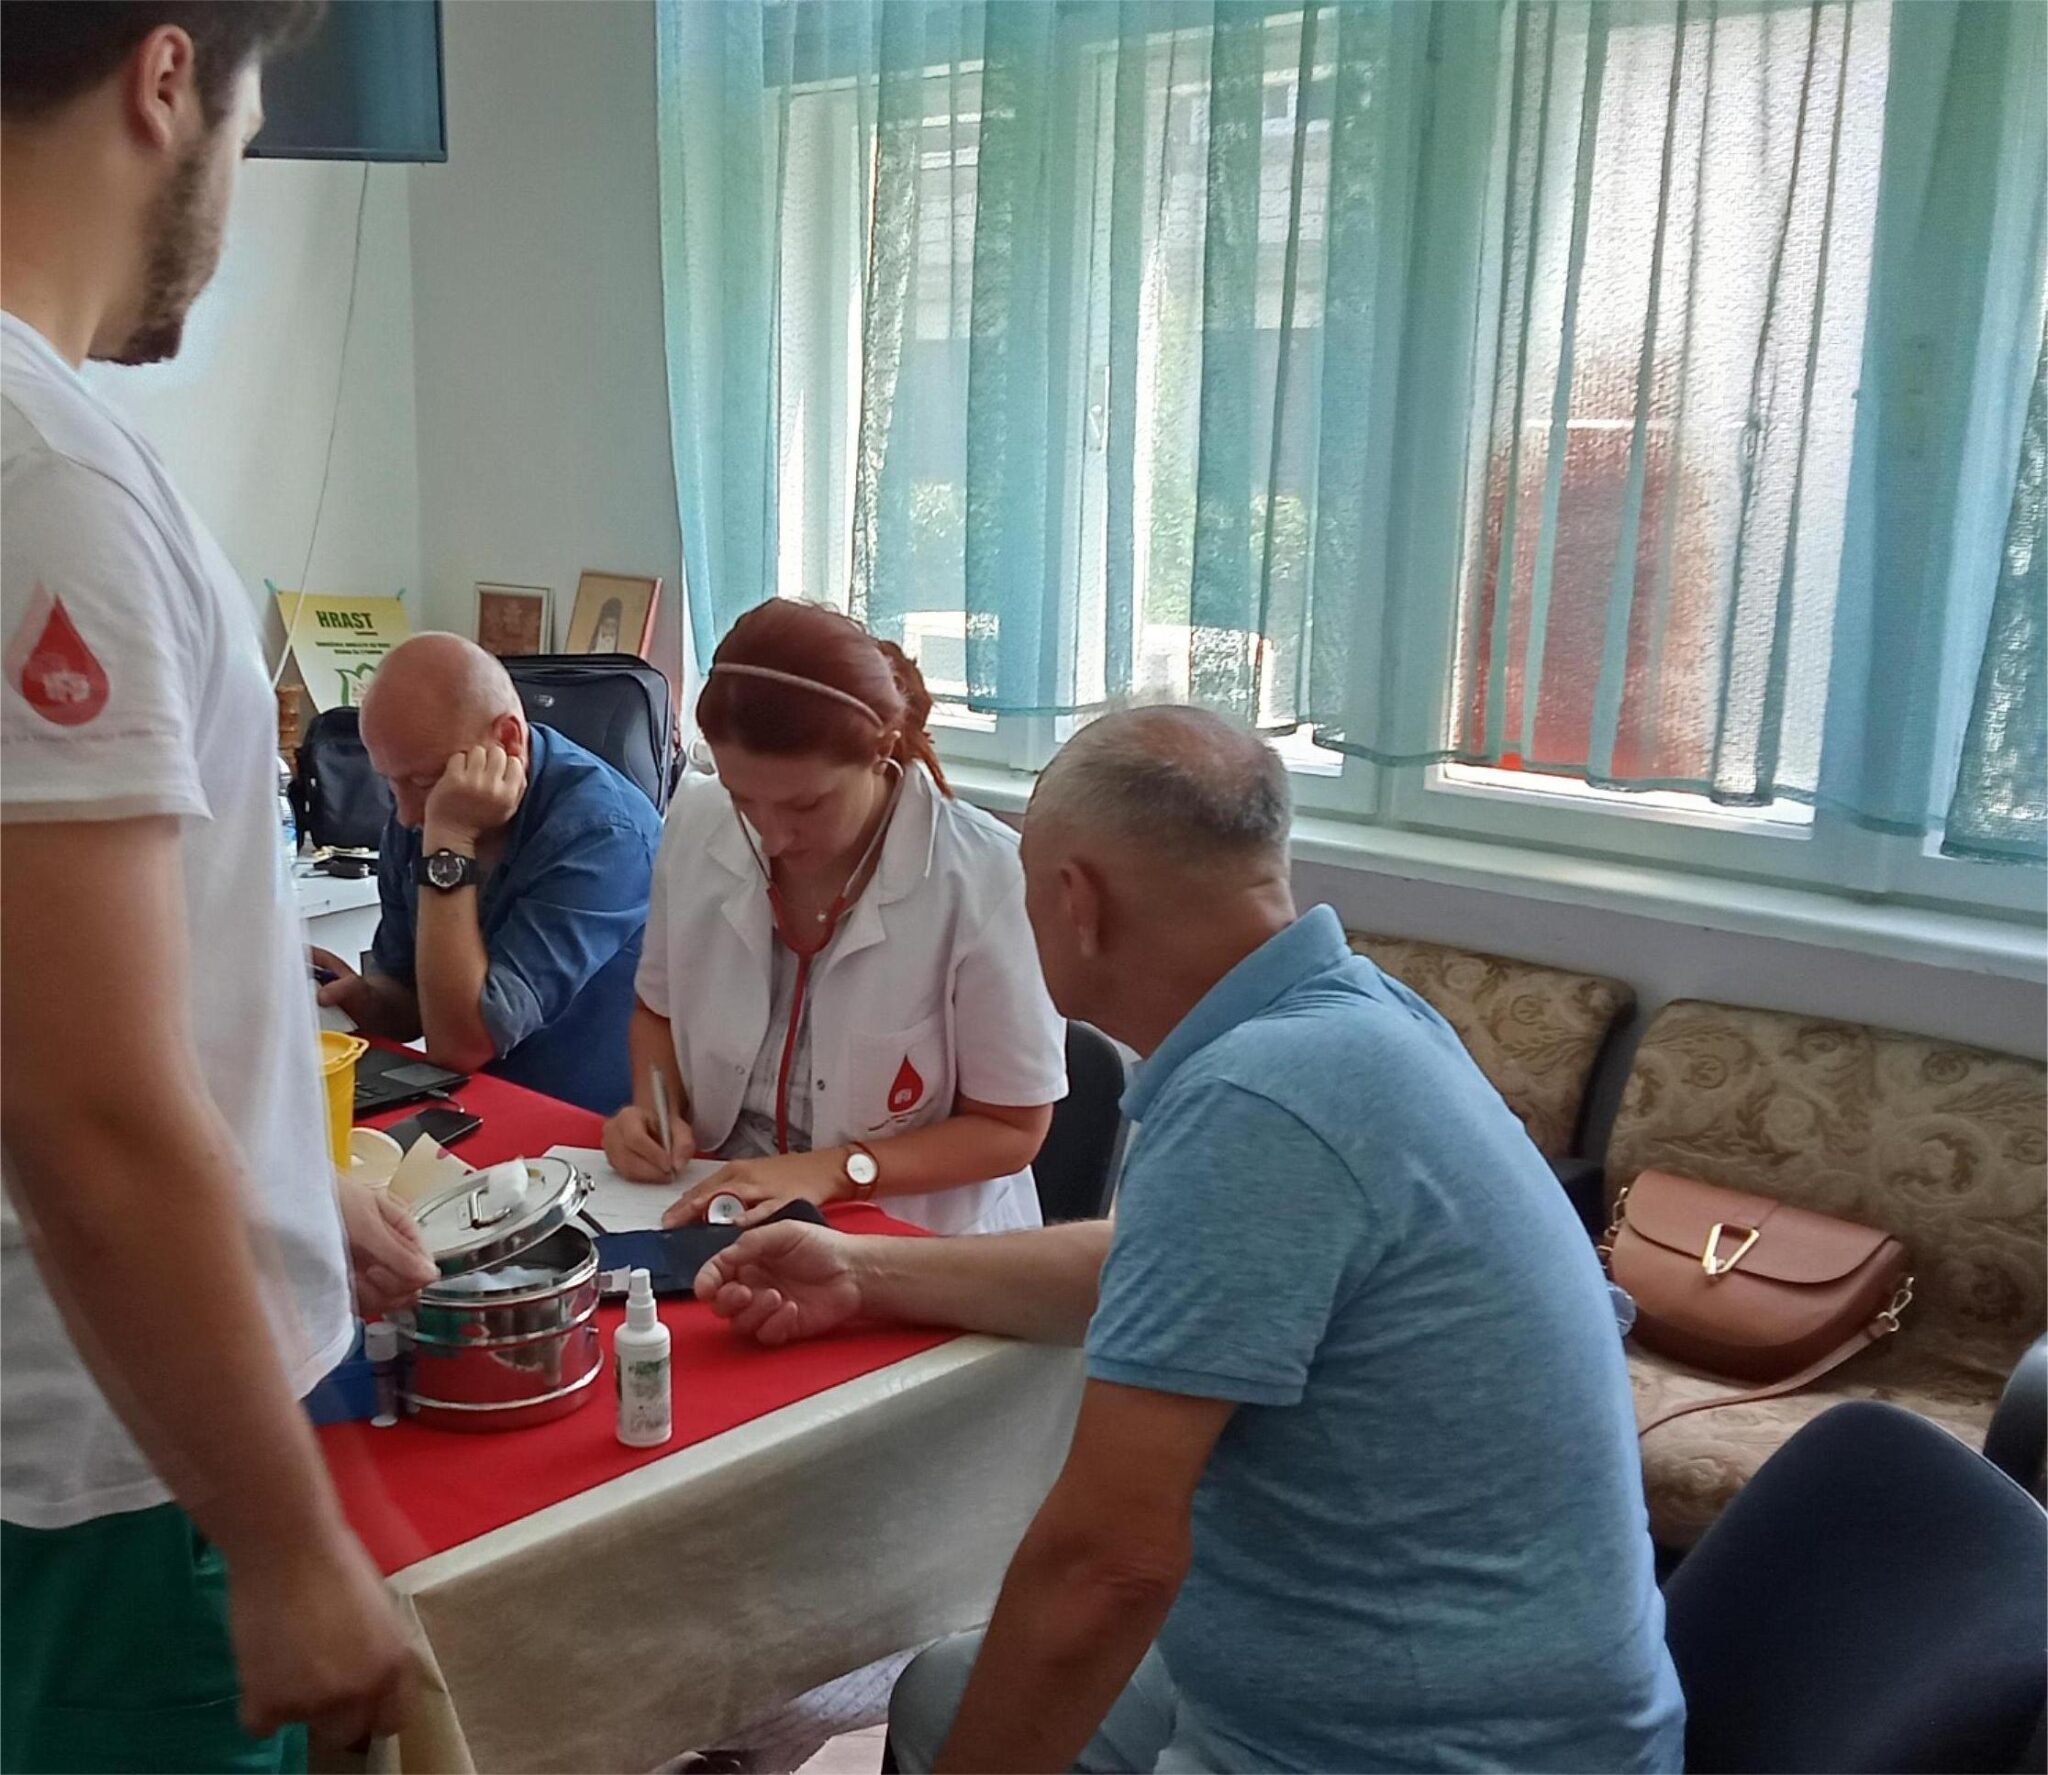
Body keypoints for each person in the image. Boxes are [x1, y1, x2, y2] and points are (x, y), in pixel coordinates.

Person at [695, 706, 1684, 1772]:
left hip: (1419, 1745)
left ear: (1077, 901)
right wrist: (866, 1270)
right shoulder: (1354, 1017)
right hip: (1455, 1679)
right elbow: (1157, 1266)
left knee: (991, 1698)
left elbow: (1104, 1569)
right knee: (945, 1693)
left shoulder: (1257, 1101)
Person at [1, 3, 438, 1767]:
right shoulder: (48, 481)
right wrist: (284, 1542)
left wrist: (280, 1179)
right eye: (252, 131)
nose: (237, 184)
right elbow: (87, 1105)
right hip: (115, 1459)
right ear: (166, 80)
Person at [602, 599, 1066, 1232]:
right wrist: (653, 1112)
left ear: (881, 751)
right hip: (723, 1199)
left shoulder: (987, 879)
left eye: (806, 806)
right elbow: (656, 1012)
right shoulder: (697, 819)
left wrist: (836, 1171)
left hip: (905, 1230)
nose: (771, 836)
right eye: (743, 798)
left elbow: (1012, 1130)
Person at [312, 632, 663, 1116]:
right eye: (390, 782)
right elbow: (415, 1003)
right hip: (465, 1102)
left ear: (508, 740)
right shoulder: (423, 810)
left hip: (583, 1126)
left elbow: (461, 1044)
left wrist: (450, 841)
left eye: (423, 782)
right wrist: (362, 999)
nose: (407, 815)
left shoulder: (605, 833)